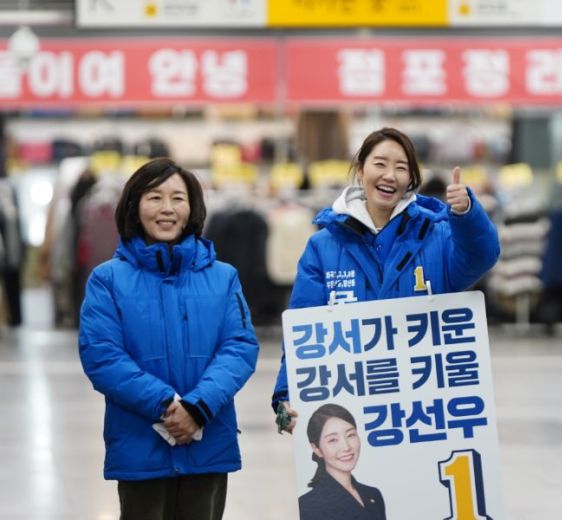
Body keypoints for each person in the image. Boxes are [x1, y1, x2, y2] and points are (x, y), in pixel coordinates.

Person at [271, 127, 500, 429]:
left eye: (401, 168)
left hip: (422, 409)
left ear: (411, 179)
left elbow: (480, 256)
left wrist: (467, 215)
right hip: (348, 409)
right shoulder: (323, 246)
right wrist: (286, 395)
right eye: (380, 163)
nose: (390, 175)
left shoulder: (439, 236)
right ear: (360, 169)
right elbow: (303, 329)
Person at [78, 157, 259, 520]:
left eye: (178, 198)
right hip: (139, 443)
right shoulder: (108, 280)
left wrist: (197, 408)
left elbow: (239, 347)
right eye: (154, 197)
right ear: (134, 205)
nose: (167, 209)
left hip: (207, 441)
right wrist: (165, 405)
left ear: (192, 208)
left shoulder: (223, 278)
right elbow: (102, 357)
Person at [298, 404, 385, 520]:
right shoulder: (307, 505)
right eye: (333, 440)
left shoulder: (373, 494)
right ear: (317, 449)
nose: (346, 447)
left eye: (350, 435)